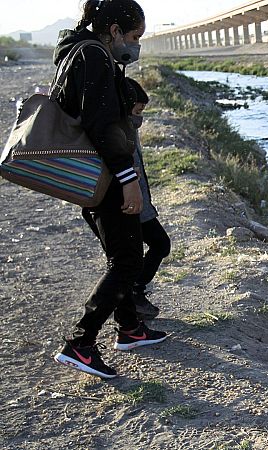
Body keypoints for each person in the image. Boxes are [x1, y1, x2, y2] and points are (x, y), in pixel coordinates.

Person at [52, 0, 166, 380]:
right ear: (115, 31)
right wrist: (128, 181)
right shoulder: (95, 57)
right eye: (134, 37)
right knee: (128, 263)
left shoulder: (76, 52)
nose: (135, 46)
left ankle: (130, 329)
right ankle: (80, 343)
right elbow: (103, 126)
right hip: (107, 179)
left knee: (124, 254)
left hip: (98, 178)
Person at [124, 77, 170, 321]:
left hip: (138, 203)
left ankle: (132, 297)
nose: (140, 117)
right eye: (138, 111)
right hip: (130, 206)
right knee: (159, 245)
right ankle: (132, 297)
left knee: (147, 250)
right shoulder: (119, 131)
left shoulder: (127, 127)